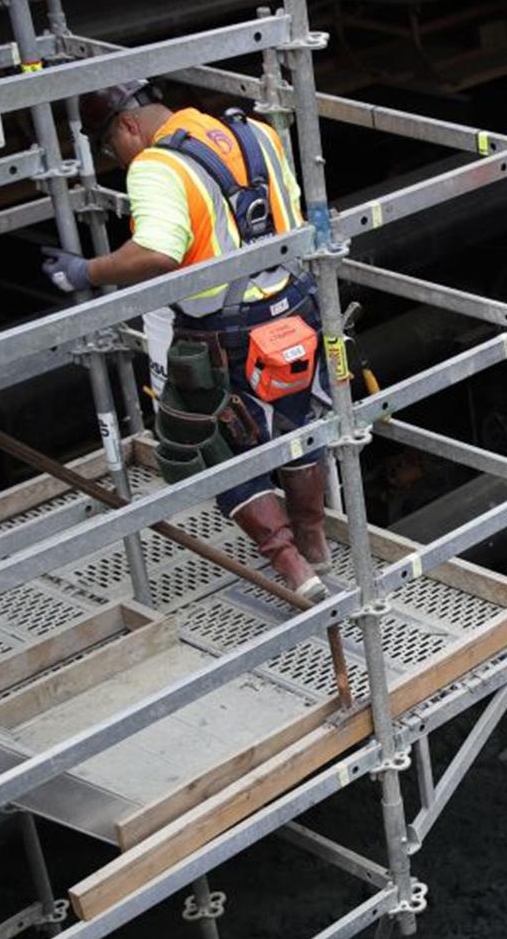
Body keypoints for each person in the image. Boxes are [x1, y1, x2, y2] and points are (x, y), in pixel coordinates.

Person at [42, 80, 329, 599]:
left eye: (111, 148)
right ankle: (314, 542)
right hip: (294, 310)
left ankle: (293, 571)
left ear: (129, 124)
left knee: (209, 444)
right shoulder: (255, 133)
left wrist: (88, 271)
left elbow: (157, 252)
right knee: (295, 420)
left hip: (226, 332)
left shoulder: (156, 166)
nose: (118, 160)